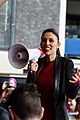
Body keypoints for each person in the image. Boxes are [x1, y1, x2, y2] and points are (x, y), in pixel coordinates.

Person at [27, 28, 79, 120]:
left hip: (57, 117)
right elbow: (28, 92)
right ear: (41, 44)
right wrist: (31, 73)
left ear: (58, 45)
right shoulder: (37, 63)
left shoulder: (65, 63)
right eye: (44, 40)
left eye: (51, 40)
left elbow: (71, 95)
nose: (47, 43)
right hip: (36, 116)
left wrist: (75, 83)